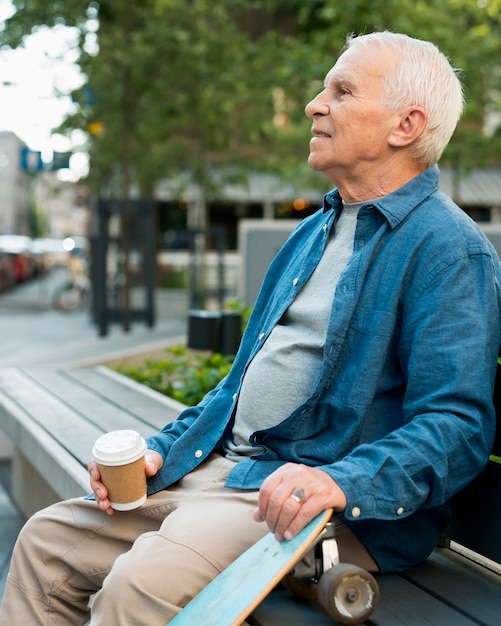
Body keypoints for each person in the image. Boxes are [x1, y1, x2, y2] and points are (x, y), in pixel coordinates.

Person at [1, 31, 500, 625]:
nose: (315, 104)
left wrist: (341, 481)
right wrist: (163, 448)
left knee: (136, 589)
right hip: (231, 474)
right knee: (45, 543)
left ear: (405, 125)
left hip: (319, 505)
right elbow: (237, 386)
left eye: (341, 91)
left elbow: (458, 425)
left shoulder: (448, 250)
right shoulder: (313, 232)